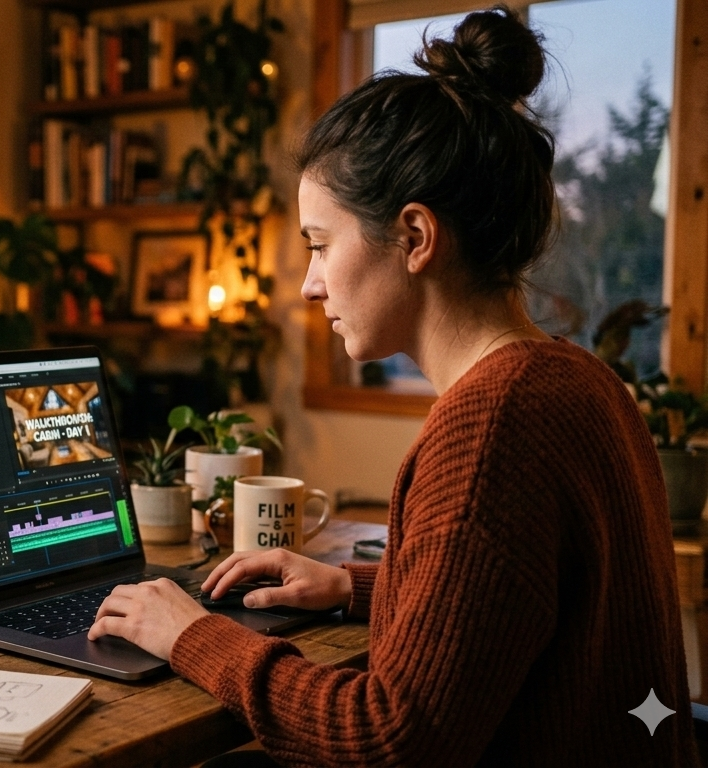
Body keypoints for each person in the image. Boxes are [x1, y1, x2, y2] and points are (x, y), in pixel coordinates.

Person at [88, 6, 697, 766]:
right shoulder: (578, 382)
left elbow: (389, 739)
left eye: (319, 244)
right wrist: (354, 587)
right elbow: (519, 607)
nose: (311, 285)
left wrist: (192, 636)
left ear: (413, 237)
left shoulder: (491, 428)